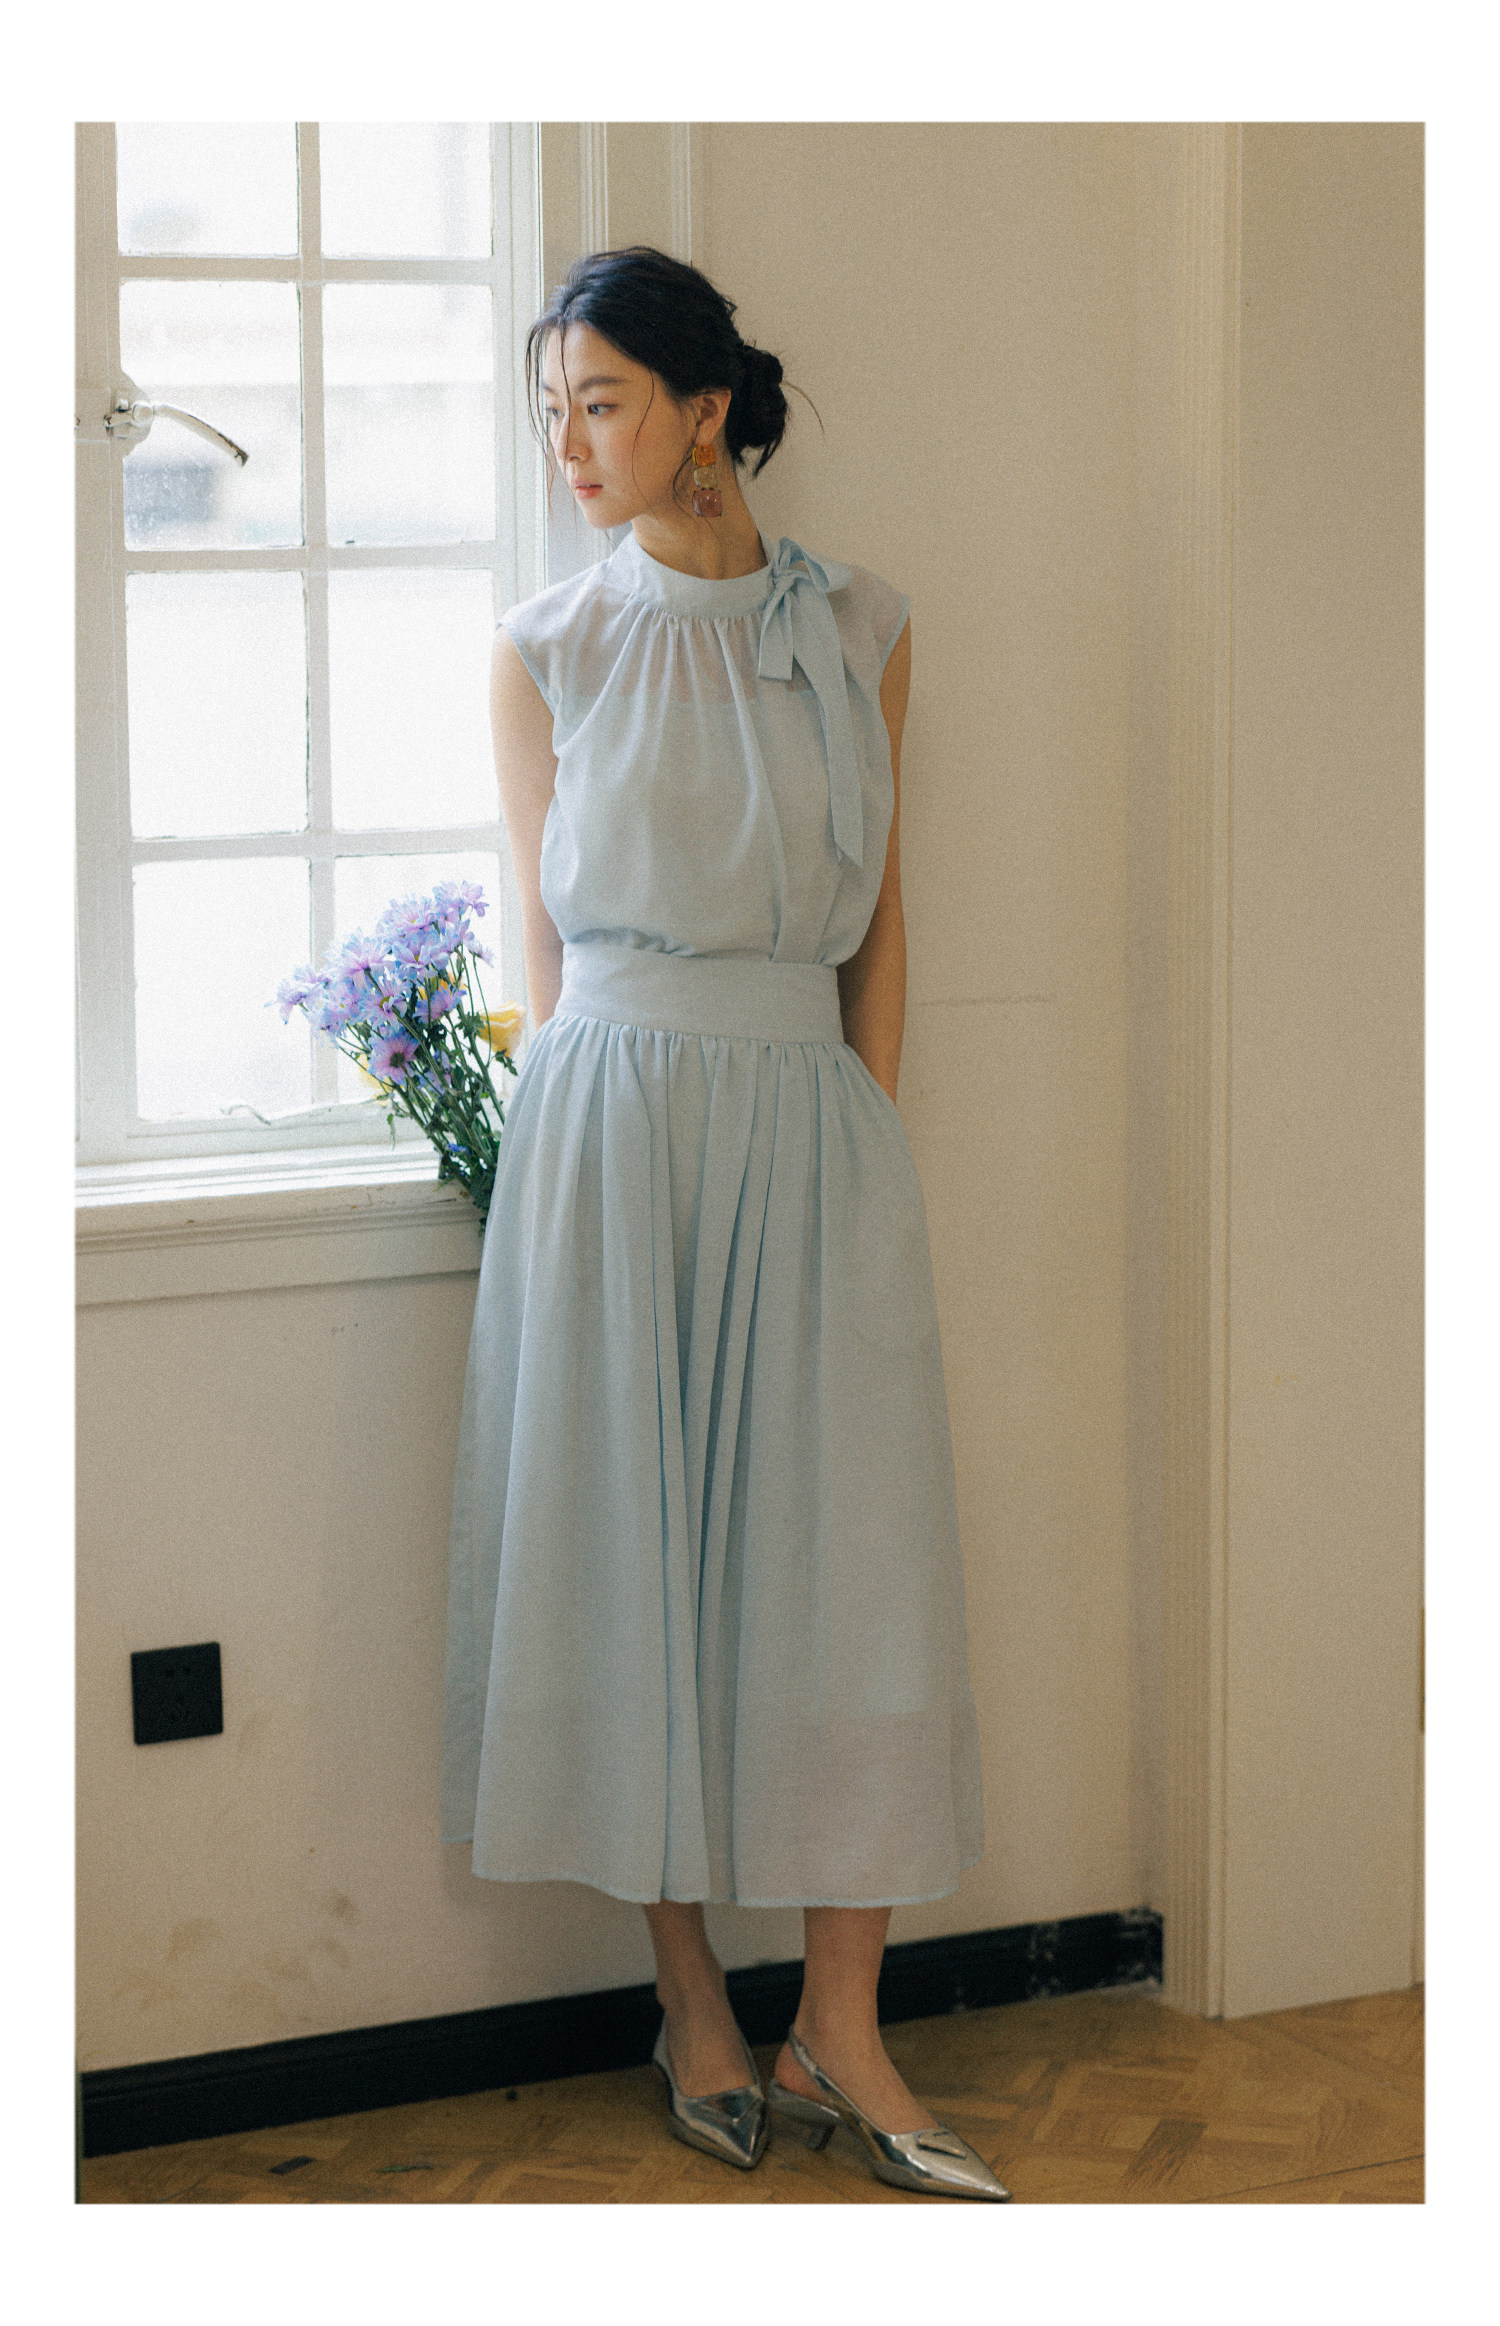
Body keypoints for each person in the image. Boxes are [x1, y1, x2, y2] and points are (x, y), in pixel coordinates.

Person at [441, 246, 1007, 2201]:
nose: (569, 445)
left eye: (599, 401)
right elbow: (544, 952)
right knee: (634, 1561)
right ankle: (690, 1993)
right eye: (550, 411)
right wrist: (554, 1155)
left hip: (812, 1123)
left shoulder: (861, 624)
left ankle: (841, 2019)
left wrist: (869, 1132)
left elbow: (885, 918)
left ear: (703, 408)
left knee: (858, 1574)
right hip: (610, 1132)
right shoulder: (547, 648)